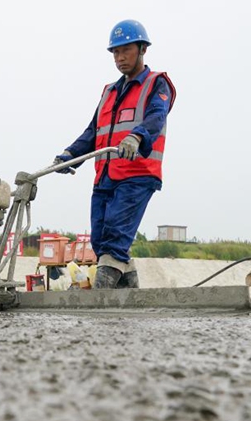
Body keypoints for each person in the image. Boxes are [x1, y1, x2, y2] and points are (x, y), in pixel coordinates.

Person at [54, 19, 176, 289]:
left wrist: (137, 136)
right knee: (100, 240)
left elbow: (157, 117)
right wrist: (69, 153)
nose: (120, 58)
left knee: (115, 238)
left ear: (142, 49)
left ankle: (102, 299)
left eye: (126, 51)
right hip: (105, 177)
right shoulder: (109, 91)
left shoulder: (157, 84)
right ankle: (129, 293)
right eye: (115, 53)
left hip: (137, 176)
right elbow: (93, 131)